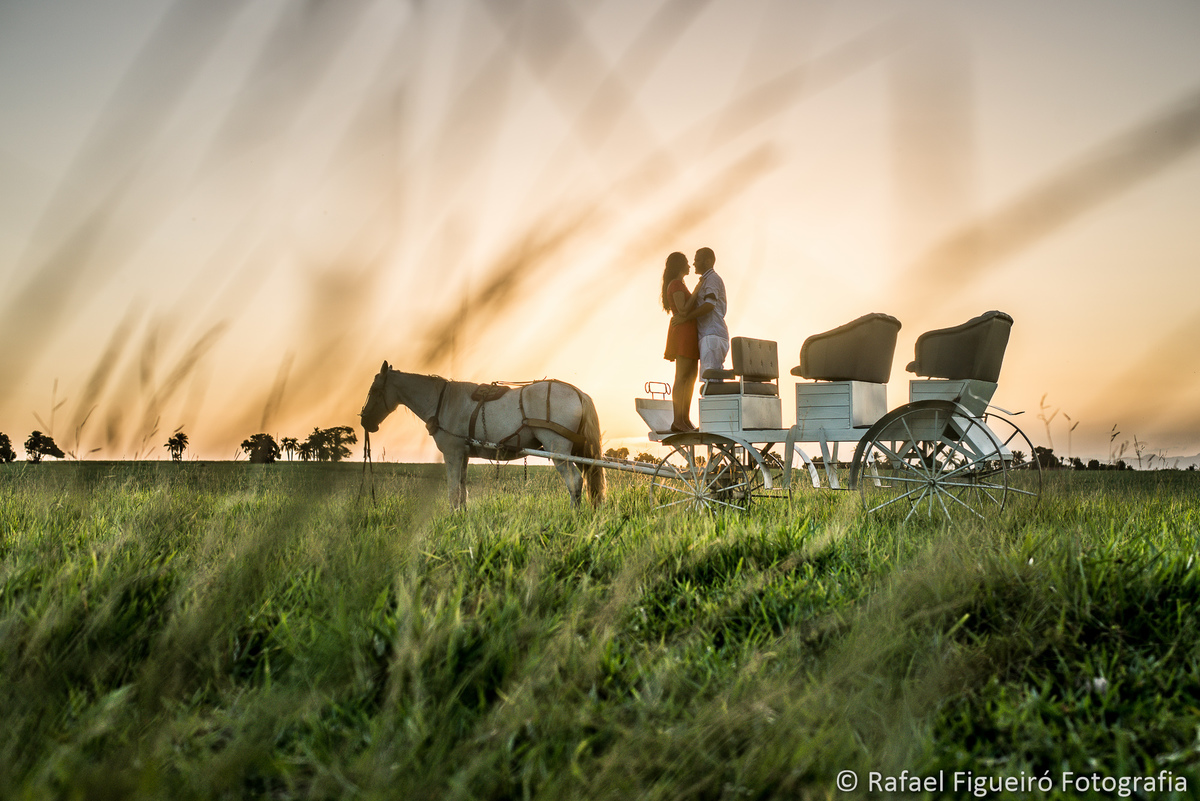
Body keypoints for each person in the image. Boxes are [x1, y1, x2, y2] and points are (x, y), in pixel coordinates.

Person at [674, 246, 729, 382]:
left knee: (711, 382)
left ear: (708, 261)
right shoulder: (707, 280)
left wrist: (685, 317)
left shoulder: (712, 279)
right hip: (710, 335)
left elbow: (709, 305)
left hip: (712, 335)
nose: (693, 264)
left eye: (697, 260)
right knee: (711, 380)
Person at [661, 251, 699, 431]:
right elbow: (683, 311)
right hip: (682, 332)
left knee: (691, 377)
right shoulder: (675, 284)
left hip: (689, 331)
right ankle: (678, 420)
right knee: (682, 377)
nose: (690, 266)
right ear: (679, 265)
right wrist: (698, 290)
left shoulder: (680, 283)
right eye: (686, 263)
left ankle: (685, 418)